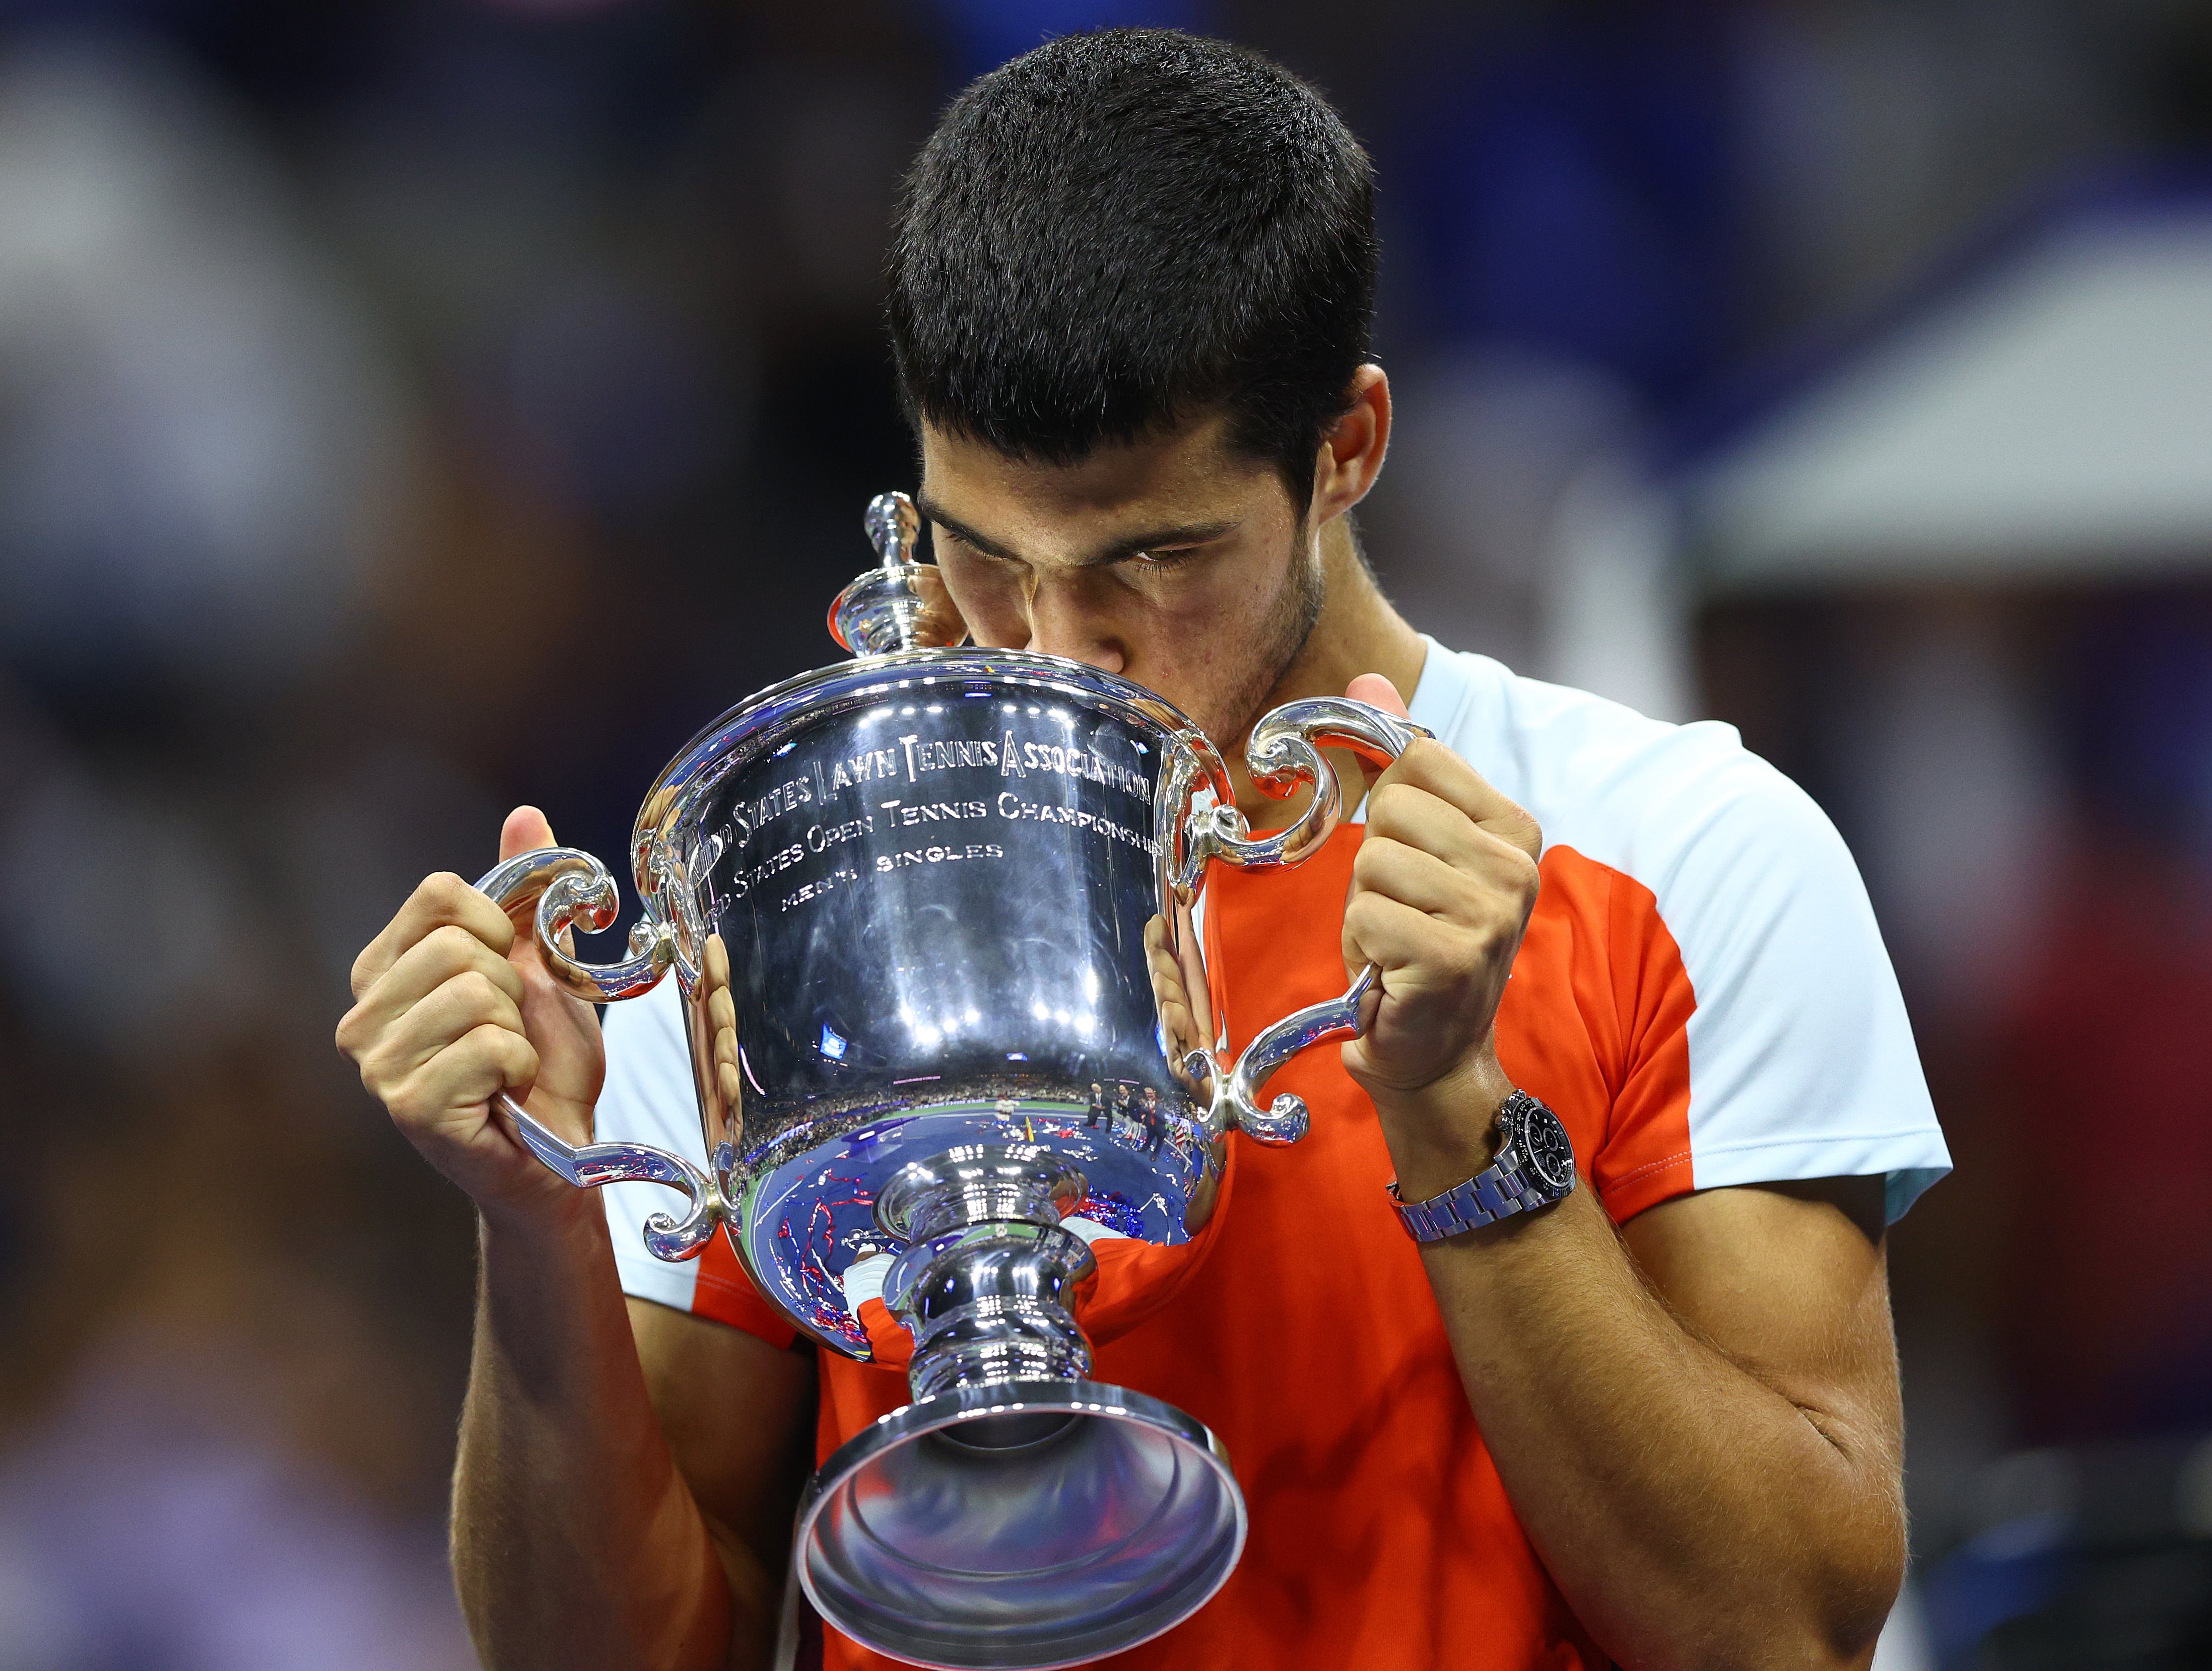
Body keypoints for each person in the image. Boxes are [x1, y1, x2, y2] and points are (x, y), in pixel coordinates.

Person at [336, 29, 1949, 1671]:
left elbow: (1786, 1634)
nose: (1053, 643)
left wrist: (1458, 1118)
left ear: (1345, 450)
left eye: (1153, 559)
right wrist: (533, 1228)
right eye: (982, 557)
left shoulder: (1686, 853)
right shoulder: (784, 887)